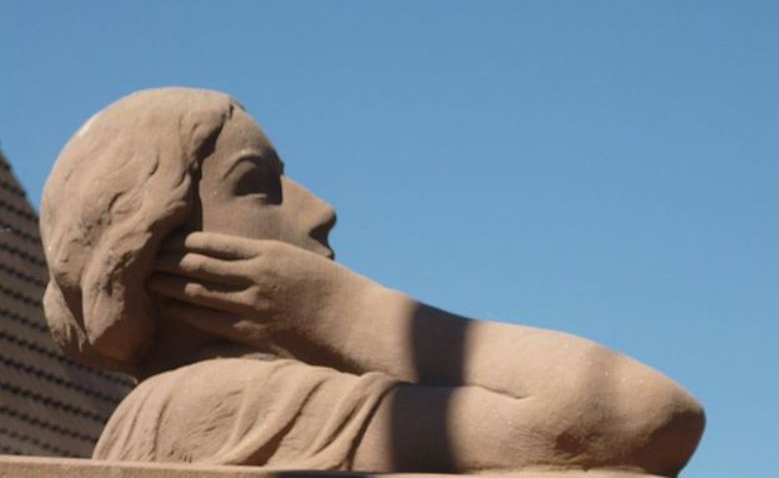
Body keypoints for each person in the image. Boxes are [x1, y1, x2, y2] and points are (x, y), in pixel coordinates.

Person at [40, 87, 705, 475]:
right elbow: (635, 412)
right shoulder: (215, 401)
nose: (317, 208)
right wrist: (349, 312)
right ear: (155, 250)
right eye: (257, 186)